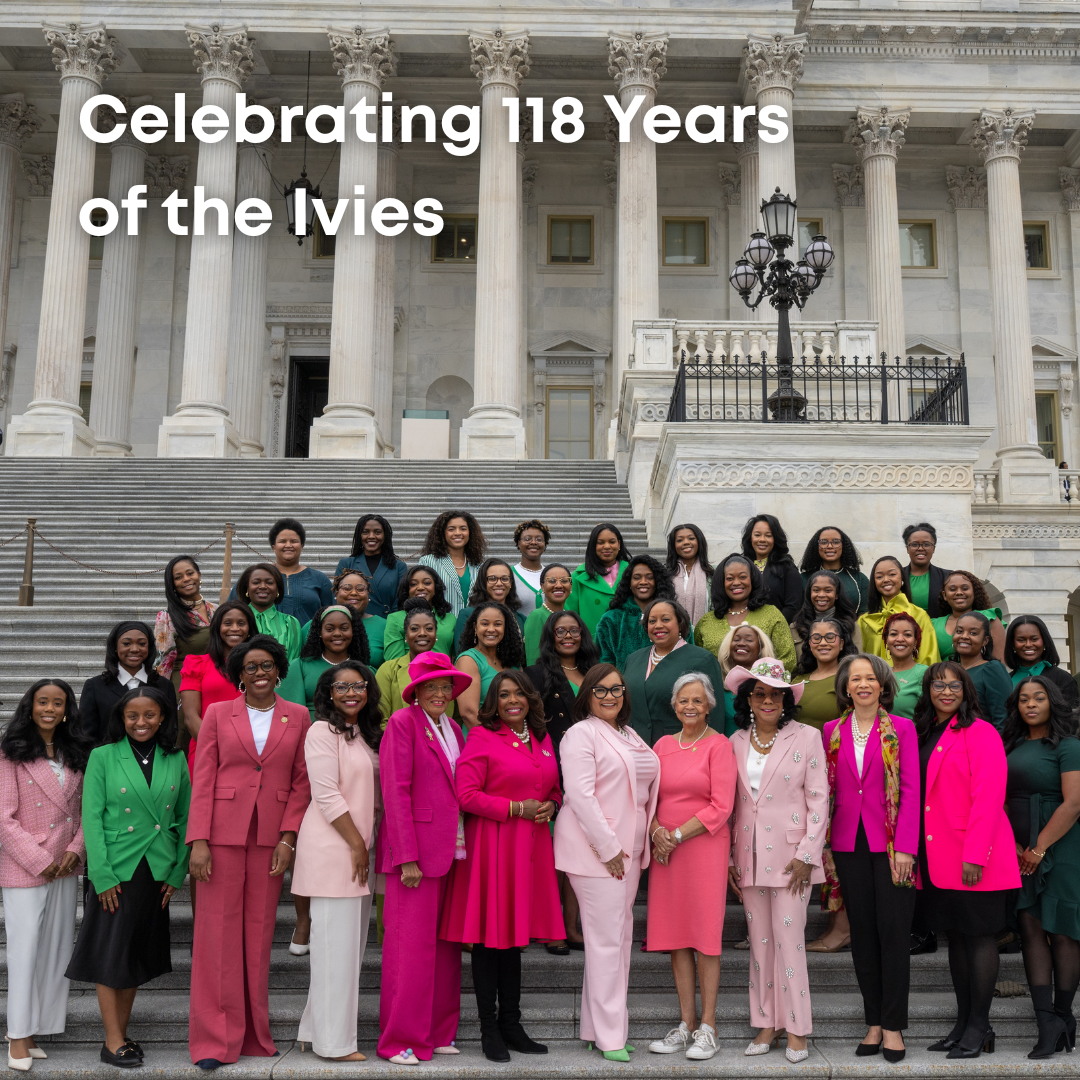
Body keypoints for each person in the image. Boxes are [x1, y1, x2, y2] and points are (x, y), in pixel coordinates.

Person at [186, 635, 311, 1070]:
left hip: (270, 839)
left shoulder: (299, 716)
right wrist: (197, 840)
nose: (260, 673)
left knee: (257, 938)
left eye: (267, 666)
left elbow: (301, 783)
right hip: (220, 836)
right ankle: (213, 1041)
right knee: (216, 937)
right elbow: (202, 780)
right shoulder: (219, 714)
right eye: (251, 667)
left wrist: (289, 838)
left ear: (279, 670)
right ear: (239, 674)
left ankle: (255, 1036)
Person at [441, 671, 563, 1061]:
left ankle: (512, 1024)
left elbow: (553, 786)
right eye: (505, 694)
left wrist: (553, 804)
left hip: (531, 848)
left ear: (530, 698)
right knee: (488, 941)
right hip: (492, 847)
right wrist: (515, 808)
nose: (514, 700)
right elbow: (466, 795)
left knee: (515, 940)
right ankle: (488, 1029)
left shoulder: (543, 738)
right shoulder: (481, 737)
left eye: (520, 693)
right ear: (494, 701)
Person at [66, 686, 190, 1069]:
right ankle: (112, 1039)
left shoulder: (176, 756)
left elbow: (187, 817)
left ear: (163, 717)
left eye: (150, 714)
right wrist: (100, 874)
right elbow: (92, 817)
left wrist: (177, 869)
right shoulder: (102, 756)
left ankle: (121, 1030)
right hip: (116, 867)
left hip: (157, 867)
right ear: (121, 719)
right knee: (111, 952)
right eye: (132, 716)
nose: (141, 722)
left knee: (135, 951)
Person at [553, 664, 660, 1062]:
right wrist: (609, 848)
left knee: (618, 939)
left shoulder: (628, 734)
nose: (610, 696)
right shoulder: (580, 733)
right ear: (588, 695)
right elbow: (580, 796)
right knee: (606, 943)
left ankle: (597, 1027)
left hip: (628, 852)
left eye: (617, 689)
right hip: (598, 853)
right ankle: (610, 1036)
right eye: (601, 690)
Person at [913, 661, 1020, 1059]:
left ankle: (981, 1025)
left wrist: (975, 854)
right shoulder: (926, 731)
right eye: (937, 685)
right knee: (955, 940)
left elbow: (990, 796)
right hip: (937, 855)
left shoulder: (981, 731)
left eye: (954, 685)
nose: (945, 691)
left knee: (978, 938)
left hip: (975, 856)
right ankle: (962, 1023)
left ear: (966, 690)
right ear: (928, 690)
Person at [727, 658, 826, 1063]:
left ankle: (798, 1028)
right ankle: (767, 1023)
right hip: (747, 857)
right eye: (760, 693)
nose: (767, 700)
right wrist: (730, 858)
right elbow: (732, 806)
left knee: (790, 943)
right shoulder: (733, 741)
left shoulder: (807, 737)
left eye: (775, 694)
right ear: (749, 699)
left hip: (792, 860)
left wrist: (807, 855)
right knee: (760, 946)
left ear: (787, 699)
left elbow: (819, 800)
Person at [822, 655, 919, 1063]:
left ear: (882, 685)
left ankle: (894, 1025)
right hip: (846, 842)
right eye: (855, 679)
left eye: (870, 678)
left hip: (892, 843)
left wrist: (908, 849)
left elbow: (911, 789)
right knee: (862, 934)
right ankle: (874, 1022)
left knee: (893, 933)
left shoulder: (903, 728)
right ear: (845, 687)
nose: (862, 684)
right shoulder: (830, 731)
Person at [376, 651, 470, 1065]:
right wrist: (405, 857)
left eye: (444, 686)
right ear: (415, 692)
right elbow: (395, 791)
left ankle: (437, 1030)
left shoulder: (453, 727)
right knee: (409, 950)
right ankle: (400, 1040)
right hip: (415, 854)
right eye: (429, 687)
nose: (438, 693)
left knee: (446, 948)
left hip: (453, 850)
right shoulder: (402, 723)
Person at [293, 663, 382, 1062]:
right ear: (327, 692)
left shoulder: (366, 734)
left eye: (358, 686)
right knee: (335, 954)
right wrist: (357, 846)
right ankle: (333, 1045)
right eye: (341, 686)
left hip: (361, 849)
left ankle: (314, 1030)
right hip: (337, 851)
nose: (351, 693)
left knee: (346, 951)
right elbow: (326, 795)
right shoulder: (320, 732)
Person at [646, 673, 736, 1061]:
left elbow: (722, 805)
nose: (690, 706)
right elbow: (646, 800)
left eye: (698, 700)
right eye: (684, 700)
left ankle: (708, 1027)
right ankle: (685, 1025)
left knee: (704, 935)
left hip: (702, 849)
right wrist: (655, 832)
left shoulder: (720, 745)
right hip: (665, 851)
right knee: (676, 936)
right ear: (674, 704)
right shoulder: (662, 745)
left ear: (710, 705)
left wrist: (675, 835)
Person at [0, 680, 89, 1072]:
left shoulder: (76, 752)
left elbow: (89, 809)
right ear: (30, 707)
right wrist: (38, 860)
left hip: (65, 865)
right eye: (42, 702)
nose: (50, 708)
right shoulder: (10, 753)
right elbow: (3, 818)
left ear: (68, 708)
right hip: (26, 865)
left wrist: (74, 851)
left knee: (55, 950)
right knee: (24, 952)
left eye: (58, 702)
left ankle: (36, 1029)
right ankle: (16, 1035)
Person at [1003, 676, 1080, 1058]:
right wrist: (1016, 846)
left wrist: (1039, 848)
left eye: (1039, 698)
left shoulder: (1069, 746)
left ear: (1053, 702)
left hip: (1060, 845)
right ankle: (1046, 1021)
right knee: (1030, 927)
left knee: (1062, 930)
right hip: (1017, 846)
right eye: (1023, 700)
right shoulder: (1011, 744)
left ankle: (1064, 1015)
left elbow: (1074, 803)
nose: (1030, 705)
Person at [523, 609, 597, 954]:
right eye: (560, 631)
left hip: (592, 768)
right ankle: (549, 928)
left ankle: (571, 926)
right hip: (552, 768)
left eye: (574, 630)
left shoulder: (595, 673)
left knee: (578, 851)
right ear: (551, 636)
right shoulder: (535, 674)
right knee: (551, 852)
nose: (568, 636)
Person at [624, 599, 725, 745]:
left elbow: (715, 714)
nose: (658, 625)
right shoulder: (633, 659)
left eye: (665, 619)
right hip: (635, 748)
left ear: (680, 624)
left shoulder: (702, 659)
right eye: (652, 621)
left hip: (682, 747)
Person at [179, 601, 253, 767]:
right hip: (207, 751)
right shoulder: (196, 663)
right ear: (217, 628)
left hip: (251, 752)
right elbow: (191, 719)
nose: (234, 628)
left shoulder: (258, 667)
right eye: (227, 623)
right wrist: (220, 749)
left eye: (241, 623)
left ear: (249, 630)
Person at [694, 554, 796, 672]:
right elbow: (699, 662)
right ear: (721, 583)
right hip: (717, 688)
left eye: (742, 577)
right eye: (730, 578)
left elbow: (788, 660)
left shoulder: (772, 615)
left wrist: (755, 680)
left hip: (759, 687)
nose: (736, 582)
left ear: (752, 580)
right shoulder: (706, 621)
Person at [79, 621, 173, 745]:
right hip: (108, 761)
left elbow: (170, 729)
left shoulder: (164, 685)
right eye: (126, 643)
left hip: (154, 760)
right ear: (115, 647)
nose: (134, 649)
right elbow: (86, 735)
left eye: (142, 644)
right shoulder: (95, 686)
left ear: (149, 648)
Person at [280, 606, 371, 716]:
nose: (337, 633)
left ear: (353, 632)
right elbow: (289, 713)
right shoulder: (299, 666)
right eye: (329, 629)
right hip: (311, 729)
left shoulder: (364, 670)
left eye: (344, 628)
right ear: (320, 632)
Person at [595, 554, 677, 671]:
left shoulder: (676, 616)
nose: (643, 582)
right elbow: (603, 663)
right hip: (624, 687)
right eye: (637, 577)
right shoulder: (611, 620)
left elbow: (687, 655)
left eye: (649, 577)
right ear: (629, 582)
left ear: (657, 581)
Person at [859, 556, 939, 667]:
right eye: (879, 576)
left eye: (892, 574)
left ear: (902, 578)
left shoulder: (919, 615)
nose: (886, 579)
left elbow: (929, 657)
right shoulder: (865, 621)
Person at [455, 602, 526, 729]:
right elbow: (469, 714)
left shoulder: (513, 662)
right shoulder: (468, 660)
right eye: (485, 624)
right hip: (484, 740)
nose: (491, 629)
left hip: (515, 737)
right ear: (475, 628)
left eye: (498, 624)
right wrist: (498, 744)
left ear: (505, 628)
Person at [301, 570, 386, 669]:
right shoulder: (315, 625)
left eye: (360, 589)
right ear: (336, 594)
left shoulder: (384, 625)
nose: (354, 593)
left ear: (368, 595)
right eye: (347, 588)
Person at [154, 556, 216, 690]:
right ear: (173, 585)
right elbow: (164, 662)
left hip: (216, 681)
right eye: (178, 577)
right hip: (185, 686)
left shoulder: (217, 610)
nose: (186, 579)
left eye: (190, 573)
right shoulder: (167, 617)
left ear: (199, 575)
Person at [377, 600, 441, 721]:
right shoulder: (388, 670)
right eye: (414, 629)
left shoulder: (446, 669)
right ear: (406, 636)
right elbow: (380, 720)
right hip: (398, 738)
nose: (422, 633)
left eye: (429, 628)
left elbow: (454, 718)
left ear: (435, 634)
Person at [565, 523, 632, 638]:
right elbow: (570, 616)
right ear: (593, 546)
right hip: (592, 646)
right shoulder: (577, 577)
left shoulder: (634, 573)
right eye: (600, 542)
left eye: (612, 542)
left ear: (619, 544)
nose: (607, 546)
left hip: (628, 641)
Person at [335, 514, 407, 619]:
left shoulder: (399, 567)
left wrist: (393, 623)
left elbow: (401, 601)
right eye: (365, 532)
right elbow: (338, 598)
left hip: (387, 624)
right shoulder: (346, 564)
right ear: (359, 535)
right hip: (353, 623)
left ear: (385, 535)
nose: (371, 536)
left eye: (377, 532)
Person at [794, 617, 857, 733]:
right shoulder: (798, 679)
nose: (823, 643)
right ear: (809, 644)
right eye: (816, 638)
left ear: (841, 643)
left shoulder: (850, 680)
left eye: (830, 637)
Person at [953, 612, 1014, 731]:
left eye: (973, 633)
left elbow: (1003, 718)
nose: (964, 636)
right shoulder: (951, 670)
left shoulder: (992, 669)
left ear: (985, 640)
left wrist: (997, 747)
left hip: (982, 743)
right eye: (959, 631)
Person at [418, 510, 486, 616]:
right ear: (443, 533)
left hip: (471, 625)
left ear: (470, 532)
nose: (458, 533)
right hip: (441, 625)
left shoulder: (479, 565)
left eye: (463, 529)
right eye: (451, 529)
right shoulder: (428, 562)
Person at [453, 558, 528, 653]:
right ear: (483, 582)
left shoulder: (521, 619)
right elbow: (460, 653)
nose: (499, 583)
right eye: (492, 579)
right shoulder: (468, 615)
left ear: (511, 583)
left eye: (504, 579)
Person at [267, 518, 334, 624]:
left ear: (301, 546)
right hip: (267, 640)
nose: (288, 545)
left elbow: (332, 615)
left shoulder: (319, 579)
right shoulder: (258, 576)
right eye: (282, 541)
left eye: (294, 541)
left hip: (309, 639)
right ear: (274, 547)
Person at [1006, 616, 1080, 710]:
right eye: (1021, 640)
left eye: (1034, 639)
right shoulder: (1006, 680)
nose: (1028, 644)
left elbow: (1071, 719)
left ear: (1044, 642)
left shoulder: (1062, 678)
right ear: (1012, 644)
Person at [930, 570, 1006, 662]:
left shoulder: (989, 617)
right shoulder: (932, 624)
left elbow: (999, 661)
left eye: (965, 588)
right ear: (944, 595)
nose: (959, 592)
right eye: (953, 589)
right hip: (942, 675)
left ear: (974, 592)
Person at [383, 567, 457, 660]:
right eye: (413, 584)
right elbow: (393, 661)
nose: (421, 588)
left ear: (435, 587)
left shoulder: (450, 619)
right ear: (407, 589)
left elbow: (455, 658)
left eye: (427, 583)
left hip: (443, 673)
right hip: (408, 673)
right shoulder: (395, 619)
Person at [235, 563, 303, 661]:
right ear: (247, 588)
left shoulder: (290, 622)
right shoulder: (235, 621)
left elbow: (294, 662)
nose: (262, 586)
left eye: (269, 582)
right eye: (256, 582)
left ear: (277, 589)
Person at [741, 514, 804, 621]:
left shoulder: (787, 568)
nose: (762, 539)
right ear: (750, 538)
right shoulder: (741, 565)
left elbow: (793, 606)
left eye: (768, 535)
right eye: (757, 535)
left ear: (775, 538)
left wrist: (771, 627)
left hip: (775, 629)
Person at [717, 624, 775, 735]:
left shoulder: (773, 686)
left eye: (749, 640)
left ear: (761, 648)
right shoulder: (718, 686)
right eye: (736, 639)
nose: (741, 643)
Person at [799, 526, 870, 614]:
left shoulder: (859, 579)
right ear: (816, 546)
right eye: (824, 542)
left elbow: (865, 613)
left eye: (836, 542)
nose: (829, 546)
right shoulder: (803, 578)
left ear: (844, 546)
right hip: (811, 626)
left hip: (852, 626)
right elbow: (798, 612)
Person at [789, 569, 860, 654]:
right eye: (816, 590)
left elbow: (857, 660)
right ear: (809, 593)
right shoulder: (796, 626)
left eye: (828, 590)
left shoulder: (851, 626)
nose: (821, 595)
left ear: (837, 594)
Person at [522, 564, 572, 665]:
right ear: (542, 587)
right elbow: (534, 661)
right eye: (552, 581)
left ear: (570, 586)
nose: (558, 585)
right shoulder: (537, 616)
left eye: (564, 581)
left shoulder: (570, 615)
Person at [882, 612, 929, 720]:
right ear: (886, 641)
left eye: (907, 635)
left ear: (915, 642)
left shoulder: (924, 673)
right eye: (894, 634)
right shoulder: (881, 674)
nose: (900, 639)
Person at [901, 523, 953, 619]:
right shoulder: (897, 576)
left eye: (926, 544)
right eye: (914, 544)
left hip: (936, 632)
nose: (920, 548)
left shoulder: (948, 577)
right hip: (904, 632)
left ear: (933, 548)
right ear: (907, 549)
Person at [665, 524, 713, 627]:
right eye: (679, 540)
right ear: (673, 546)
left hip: (706, 632)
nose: (686, 542)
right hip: (674, 634)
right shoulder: (665, 575)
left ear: (699, 542)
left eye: (691, 538)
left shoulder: (714, 573)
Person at [511, 520, 550, 615]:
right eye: (527, 539)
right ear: (519, 543)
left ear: (545, 544)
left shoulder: (551, 574)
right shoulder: (509, 574)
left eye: (539, 539)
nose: (533, 542)